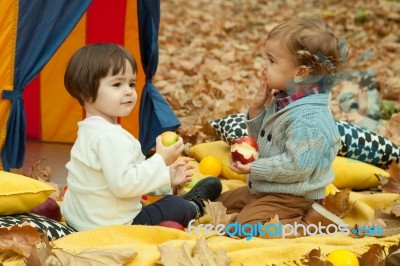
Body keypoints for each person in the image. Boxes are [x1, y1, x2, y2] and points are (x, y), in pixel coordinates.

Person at [61, 43, 222, 231]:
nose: (129, 91)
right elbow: (124, 185)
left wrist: (166, 177)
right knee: (174, 206)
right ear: (86, 94)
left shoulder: (89, 130)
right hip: (113, 226)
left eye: (131, 84)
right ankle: (195, 205)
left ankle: (178, 200)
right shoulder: (109, 137)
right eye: (117, 84)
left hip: (82, 220)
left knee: (160, 203)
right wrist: (161, 160)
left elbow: (120, 177)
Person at [216, 17, 347, 237]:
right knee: (221, 204)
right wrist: (257, 108)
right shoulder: (286, 99)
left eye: (271, 61)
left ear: (300, 73)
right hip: (268, 188)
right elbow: (265, 140)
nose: (264, 66)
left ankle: (311, 223)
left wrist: (253, 168)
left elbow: (297, 167)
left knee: (243, 227)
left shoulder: (309, 119)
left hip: (294, 197)